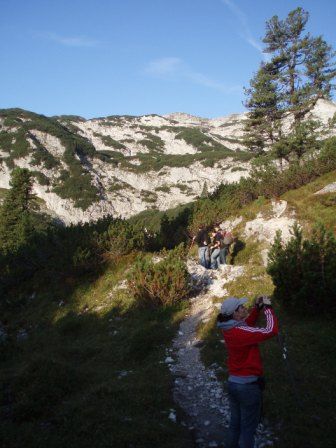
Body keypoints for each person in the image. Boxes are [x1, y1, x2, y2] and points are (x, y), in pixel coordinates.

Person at [217, 296, 278, 448]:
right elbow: (271, 330)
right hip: (248, 387)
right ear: (234, 314)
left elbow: (247, 324)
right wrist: (268, 309)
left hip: (233, 383)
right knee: (248, 429)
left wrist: (257, 308)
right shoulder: (241, 332)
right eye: (241, 308)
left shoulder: (229, 327)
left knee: (235, 425)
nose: (245, 308)